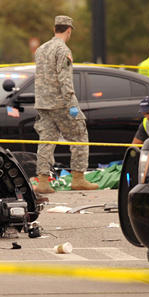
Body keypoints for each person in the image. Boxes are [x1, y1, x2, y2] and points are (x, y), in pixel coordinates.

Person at [33, 15, 98, 194]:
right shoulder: (63, 50)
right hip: (60, 103)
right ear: (68, 31)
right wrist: (72, 104)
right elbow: (65, 79)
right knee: (80, 136)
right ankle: (78, 178)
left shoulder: (41, 49)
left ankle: (43, 182)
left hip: (43, 103)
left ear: (55, 29)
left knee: (46, 141)